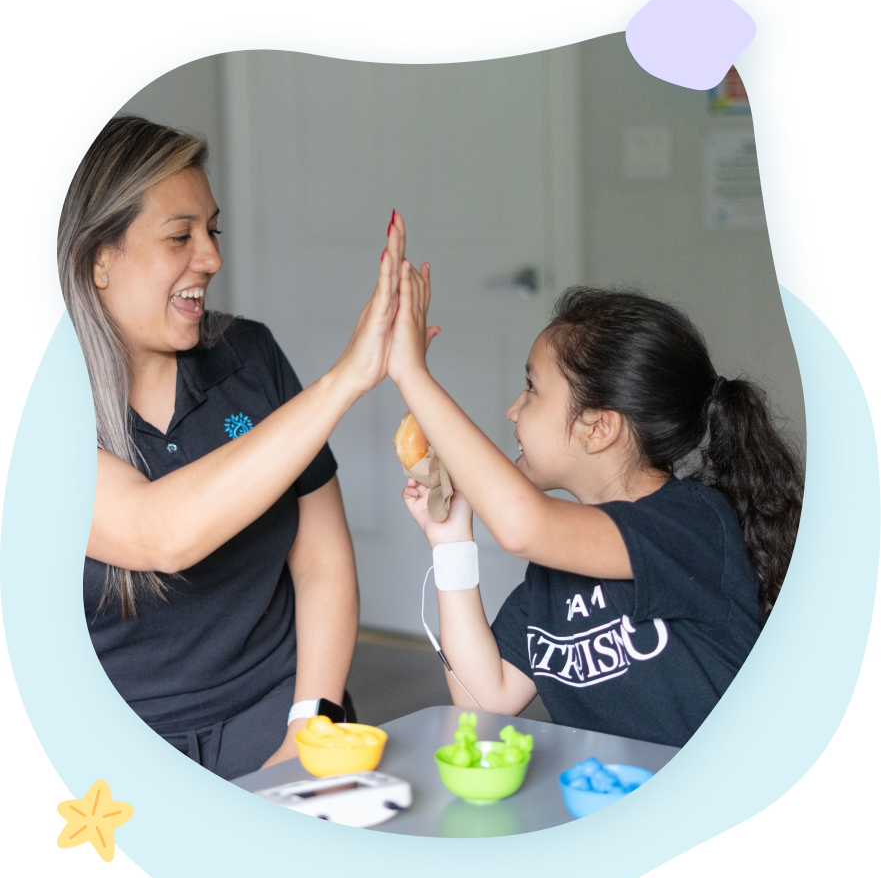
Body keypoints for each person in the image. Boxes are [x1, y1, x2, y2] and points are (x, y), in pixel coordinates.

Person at [58, 116, 429, 779]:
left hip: (277, 710)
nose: (211, 257)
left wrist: (308, 725)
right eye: (180, 236)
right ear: (99, 260)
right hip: (112, 754)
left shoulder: (248, 356)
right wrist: (345, 379)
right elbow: (157, 534)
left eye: (211, 231)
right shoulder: (43, 413)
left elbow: (320, 559)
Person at [388, 246, 803, 748]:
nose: (513, 411)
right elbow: (485, 698)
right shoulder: (555, 567)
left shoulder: (689, 523)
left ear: (599, 427)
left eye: (531, 389)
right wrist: (451, 540)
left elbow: (523, 526)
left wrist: (412, 374)